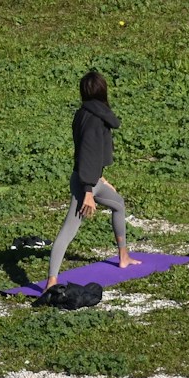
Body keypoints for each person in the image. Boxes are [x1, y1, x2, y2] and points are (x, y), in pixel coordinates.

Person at [46, 70, 138, 286]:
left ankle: (123, 256)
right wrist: (88, 191)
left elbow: (95, 152)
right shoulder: (95, 119)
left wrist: (100, 178)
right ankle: (51, 281)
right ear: (103, 91)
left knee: (118, 204)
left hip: (93, 180)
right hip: (85, 183)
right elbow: (87, 153)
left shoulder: (84, 113)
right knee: (68, 230)